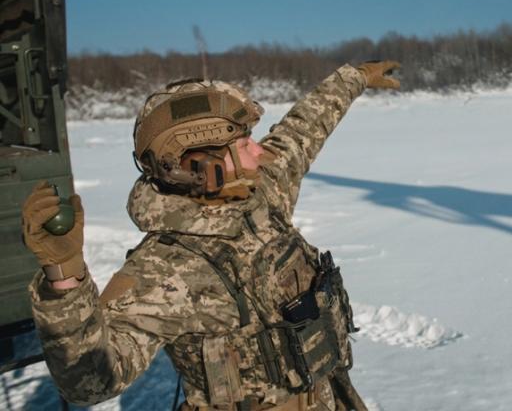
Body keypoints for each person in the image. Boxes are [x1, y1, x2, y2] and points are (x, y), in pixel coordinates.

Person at [21, 61, 401, 410]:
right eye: (243, 144)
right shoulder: (166, 267)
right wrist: (64, 276)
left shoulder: (261, 193)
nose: (260, 151)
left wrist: (353, 77)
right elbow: (92, 381)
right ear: (199, 166)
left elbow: (302, 130)